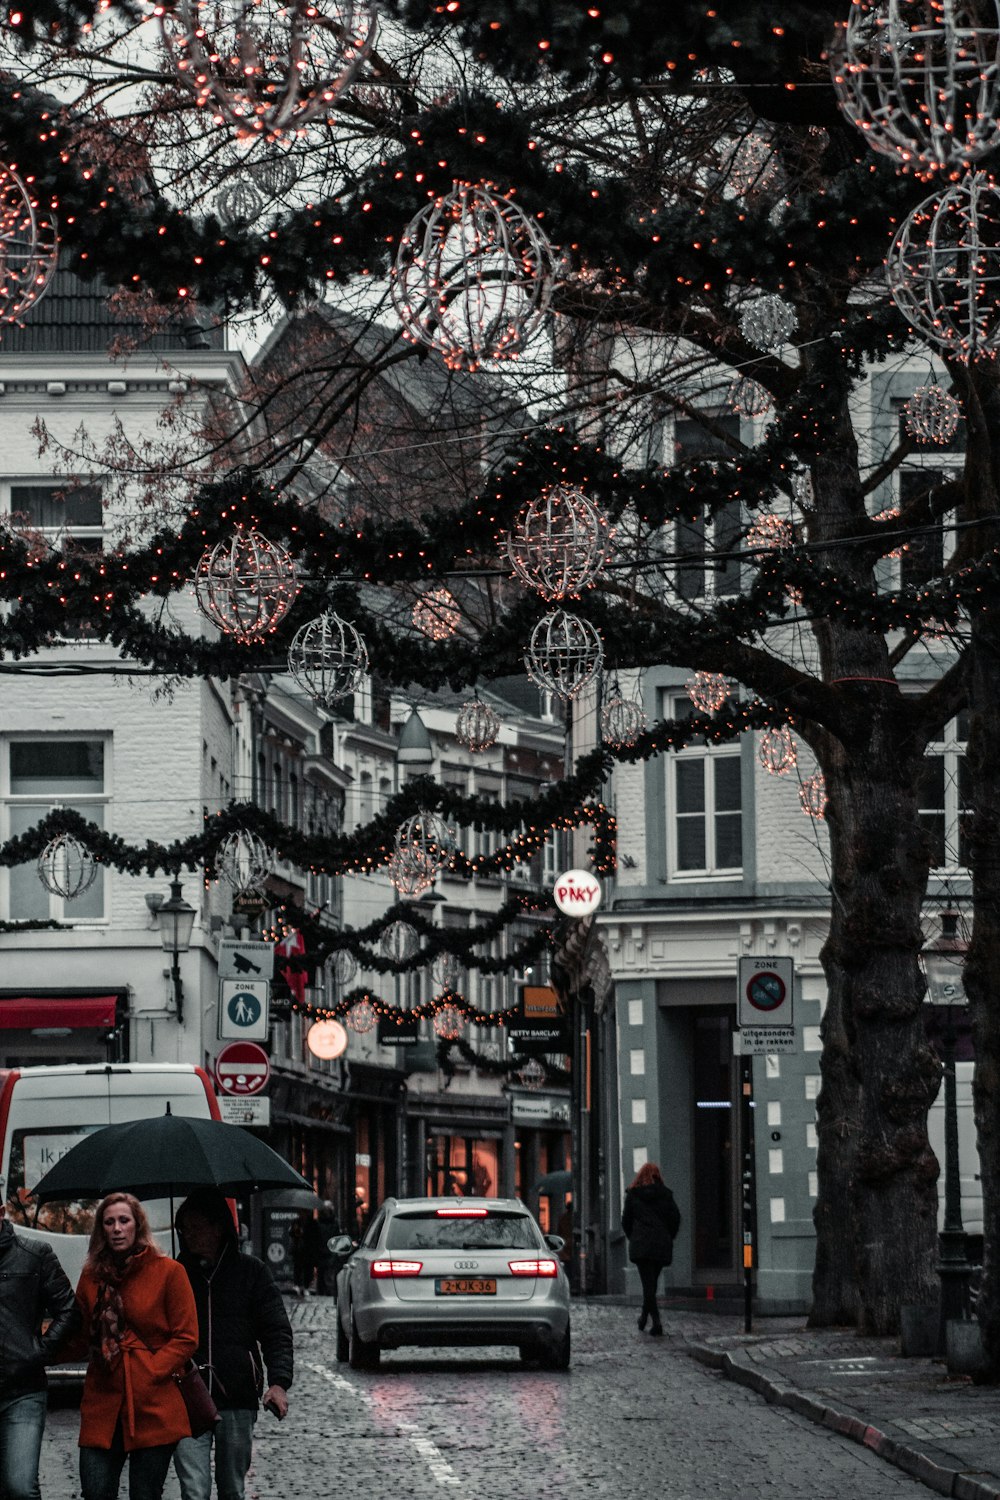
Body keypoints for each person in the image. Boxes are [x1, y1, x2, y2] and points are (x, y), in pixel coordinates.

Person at [71, 1191, 199, 1500]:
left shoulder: (169, 1272)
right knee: (96, 1491)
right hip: (103, 1402)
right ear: (101, 1230)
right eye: (109, 1222)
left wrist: (150, 1370)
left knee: (145, 1493)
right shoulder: (91, 1277)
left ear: (136, 1225)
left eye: (123, 1221)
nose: (116, 1228)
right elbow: (78, 1335)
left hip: (153, 1404)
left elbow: (186, 1337)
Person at [172, 1188, 293, 1500]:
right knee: (194, 1490)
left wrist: (279, 1382)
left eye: (197, 1227)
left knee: (232, 1488)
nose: (190, 1235)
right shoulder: (174, 1273)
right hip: (187, 1392)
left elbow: (276, 1330)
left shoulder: (251, 1272)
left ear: (218, 1228)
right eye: (185, 1229)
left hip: (236, 1393)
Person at [0, 1184, 79, 1500]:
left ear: (1, 1213)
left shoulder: (34, 1254)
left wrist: (41, 1352)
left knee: (19, 1486)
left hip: (22, 1391)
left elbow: (70, 1309)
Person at [621, 1162, 681, 1337]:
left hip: (641, 1245)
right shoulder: (666, 1195)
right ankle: (644, 1317)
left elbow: (626, 1221)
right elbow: (675, 1218)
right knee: (651, 1284)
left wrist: (634, 1236)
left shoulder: (633, 1195)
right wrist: (669, 1236)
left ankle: (655, 1322)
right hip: (660, 1245)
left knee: (648, 1285)